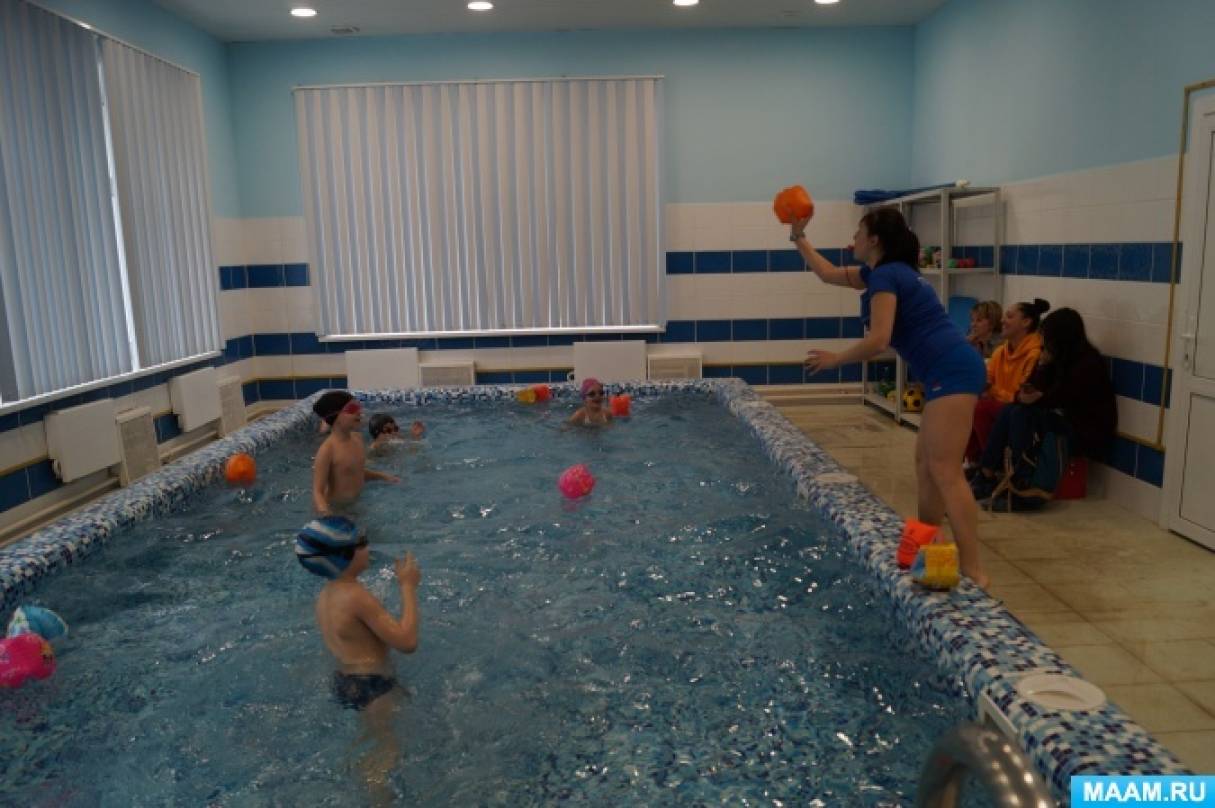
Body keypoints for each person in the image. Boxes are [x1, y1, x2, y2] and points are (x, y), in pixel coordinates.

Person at [791, 207, 989, 586]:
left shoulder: (886, 277)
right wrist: (798, 236)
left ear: (875, 240)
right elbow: (827, 273)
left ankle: (975, 571)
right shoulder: (882, 273)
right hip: (947, 370)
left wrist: (836, 360)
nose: (853, 239)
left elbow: (879, 340)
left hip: (953, 370)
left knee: (946, 471)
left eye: (859, 232)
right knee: (926, 466)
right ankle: (930, 552)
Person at [295, 515, 421, 805]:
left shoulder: (326, 596)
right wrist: (407, 587)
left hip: (345, 681)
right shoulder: (356, 596)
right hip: (374, 685)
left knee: (369, 741)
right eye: (361, 542)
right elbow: (407, 642)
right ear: (345, 555)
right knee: (385, 753)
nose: (368, 546)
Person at [971, 308, 1117, 505]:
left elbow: (1059, 398)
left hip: (1085, 432)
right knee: (1012, 410)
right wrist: (1040, 371)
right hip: (1062, 420)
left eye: (1048, 339)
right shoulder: (1059, 358)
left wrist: (1039, 383)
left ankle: (1020, 481)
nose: (1045, 344)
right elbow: (1035, 391)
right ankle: (988, 472)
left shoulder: (1087, 364)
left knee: (1021, 414)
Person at [966, 300, 1050, 464]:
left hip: (1021, 410)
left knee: (981, 407)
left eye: (1009, 316)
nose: (1002, 320)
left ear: (1026, 322)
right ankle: (975, 462)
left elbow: (1020, 397)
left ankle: (991, 466)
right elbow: (986, 379)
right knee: (966, 402)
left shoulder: (1034, 355)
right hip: (1003, 404)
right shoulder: (1000, 351)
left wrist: (991, 390)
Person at [312, 391, 399, 515]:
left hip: (356, 505)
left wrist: (384, 477)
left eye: (358, 407)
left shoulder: (357, 439)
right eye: (352, 409)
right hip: (336, 510)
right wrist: (327, 514)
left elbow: (356, 471)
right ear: (335, 416)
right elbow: (318, 492)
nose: (359, 412)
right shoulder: (327, 450)